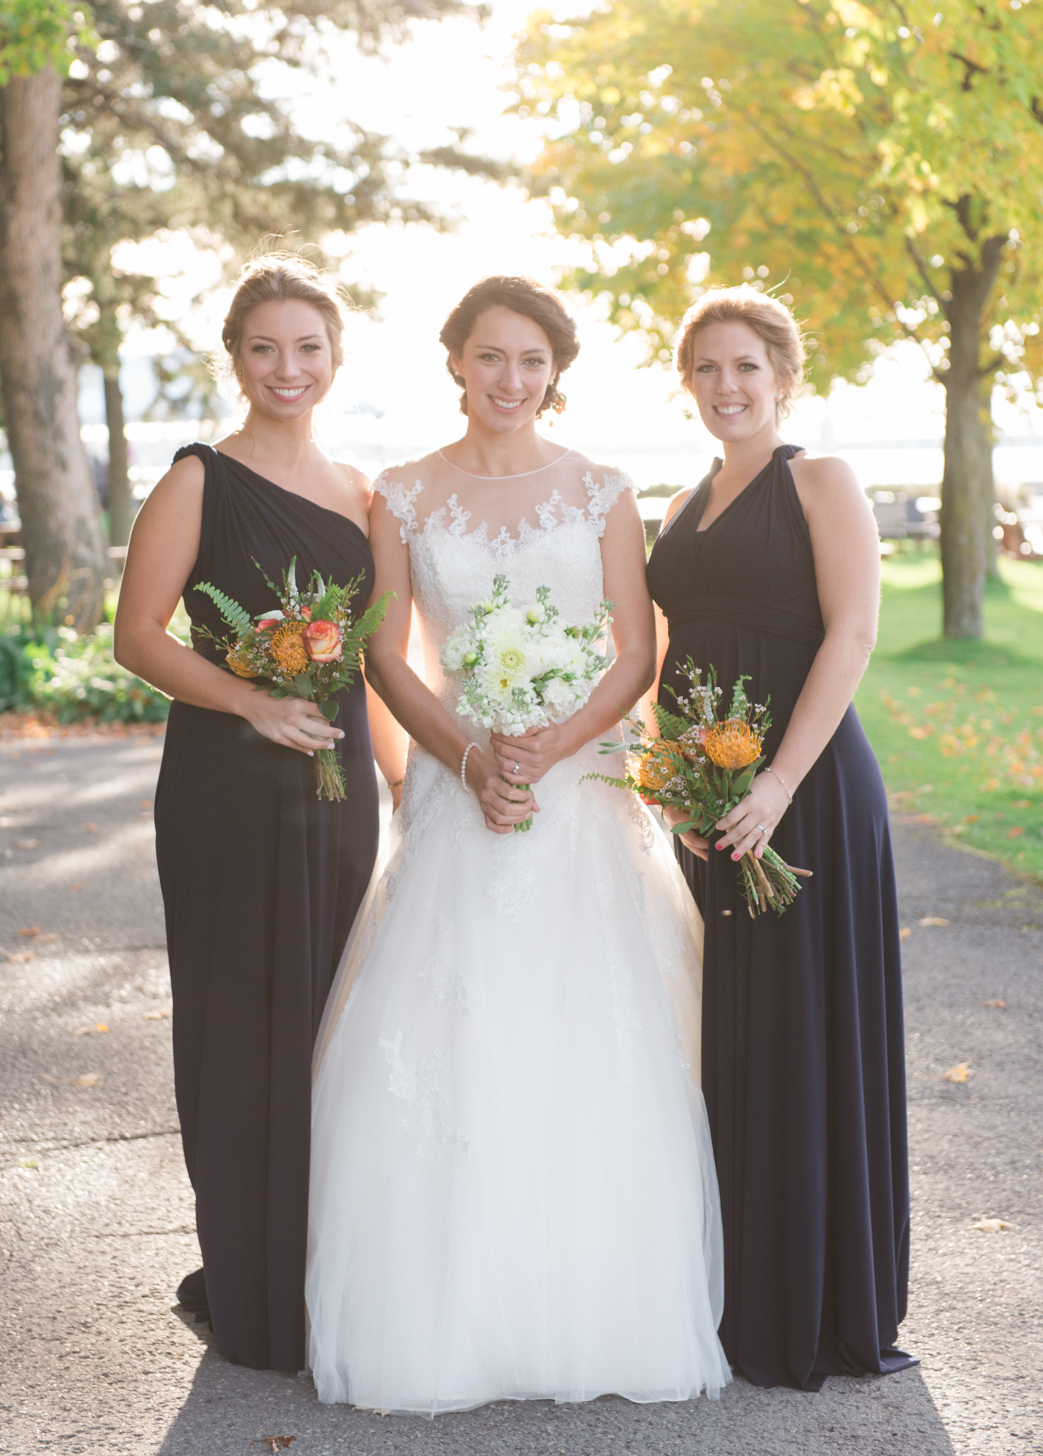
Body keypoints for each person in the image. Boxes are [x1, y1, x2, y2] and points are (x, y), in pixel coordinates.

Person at [304, 275, 730, 1414]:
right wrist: (465, 754)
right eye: (490, 357)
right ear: (455, 362)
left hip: (579, 787)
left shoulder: (602, 490)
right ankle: (449, 1316)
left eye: (531, 361)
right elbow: (387, 654)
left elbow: (633, 653)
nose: (510, 380)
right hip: (459, 788)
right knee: (451, 1028)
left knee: (589, 1032)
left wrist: (546, 749)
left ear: (557, 371)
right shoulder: (398, 493)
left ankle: (591, 1306)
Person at [115, 254, 402, 1370]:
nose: (289, 368)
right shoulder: (196, 478)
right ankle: (248, 1287)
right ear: (235, 359)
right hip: (224, 793)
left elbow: (380, 659)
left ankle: (322, 1275)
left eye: (309, 348)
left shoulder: (365, 494)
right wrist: (249, 700)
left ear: (335, 359)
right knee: (236, 1030)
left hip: (336, 800)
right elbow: (139, 636)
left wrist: (413, 778)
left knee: (332, 1025)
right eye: (265, 348)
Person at [646, 285, 912, 1391]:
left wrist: (776, 786)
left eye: (745, 366)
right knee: (739, 1035)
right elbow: (667, 653)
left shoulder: (821, 480)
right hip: (709, 802)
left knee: (804, 1029)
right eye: (705, 369)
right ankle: (746, 1289)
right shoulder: (679, 503)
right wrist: (674, 786)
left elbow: (851, 631)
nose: (725, 387)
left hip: (801, 790)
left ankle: (818, 1303)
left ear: (783, 376)